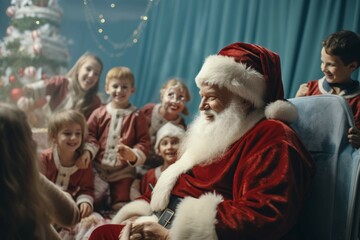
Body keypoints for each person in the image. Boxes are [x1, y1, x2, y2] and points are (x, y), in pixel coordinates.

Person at [89, 42, 316, 240]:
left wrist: (173, 235)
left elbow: (266, 213)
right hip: (160, 221)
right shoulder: (215, 133)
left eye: (213, 98)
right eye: (202, 96)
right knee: (102, 234)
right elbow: (176, 184)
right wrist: (139, 216)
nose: (201, 107)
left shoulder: (273, 136)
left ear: (244, 101)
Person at [0, 102, 80, 240]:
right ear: (20, 151)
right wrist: (30, 174)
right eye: (30, 137)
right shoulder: (28, 213)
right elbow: (71, 216)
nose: (36, 143)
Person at [78, 66, 150, 212]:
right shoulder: (99, 113)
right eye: (115, 86)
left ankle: (115, 219)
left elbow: (144, 141)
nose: (119, 90)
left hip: (123, 171)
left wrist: (133, 155)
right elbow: (89, 134)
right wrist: (88, 152)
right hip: (98, 168)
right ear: (107, 88)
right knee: (94, 200)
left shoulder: (137, 115)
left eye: (125, 87)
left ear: (132, 90)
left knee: (120, 204)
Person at [295, 30, 360, 148]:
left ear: (352, 66)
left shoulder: (358, 101)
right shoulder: (309, 90)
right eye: (322, 62)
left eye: (331, 64)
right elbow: (295, 126)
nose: (323, 68)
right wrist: (297, 103)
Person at [17, 52, 103, 127]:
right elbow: (41, 87)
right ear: (78, 70)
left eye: (96, 74)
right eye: (88, 69)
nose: (91, 75)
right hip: (46, 126)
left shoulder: (94, 101)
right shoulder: (62, 83)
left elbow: (90, 126)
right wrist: (28, 92)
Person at [39, 109, 95, 219]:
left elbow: (86, 188)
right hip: (45, 207)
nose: (74, 138)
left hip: (69, 209)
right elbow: (39, 186)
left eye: (78, 133)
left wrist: (85, 202)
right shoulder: (45, 158)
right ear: (54, 136)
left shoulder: (83, 162)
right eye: (67, 133)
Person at [140, 78, 190, 169]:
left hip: (158, 166)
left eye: (181, 97)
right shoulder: (148, 110)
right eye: (170, 95)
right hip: (138, 158)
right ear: (162, 95)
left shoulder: (181, 126)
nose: (175, 101)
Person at [140, 122, 185, 194]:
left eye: (174, 142)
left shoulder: (188, 174)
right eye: (164, 143)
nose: (169, 147)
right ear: (158, 150)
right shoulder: (149, 176)